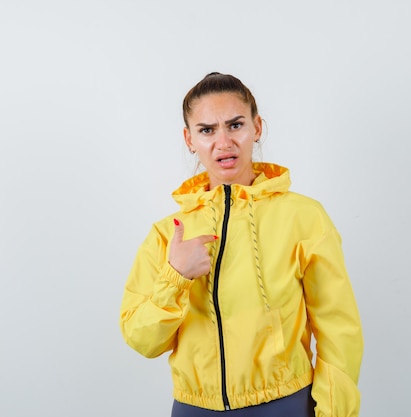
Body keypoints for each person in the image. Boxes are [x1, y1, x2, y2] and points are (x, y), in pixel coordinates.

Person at [119, 72, 363, 416]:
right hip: (193, 408)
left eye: (235, 125)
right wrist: (176, 277)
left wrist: (335, 412)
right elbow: (143, 340)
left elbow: (339, 330)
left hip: (283, 404)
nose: (223, 142)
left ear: (257, 127)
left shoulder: (304, 218)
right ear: (189, 139)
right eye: (207, 130)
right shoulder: (168, 234)